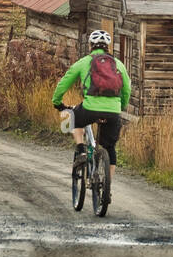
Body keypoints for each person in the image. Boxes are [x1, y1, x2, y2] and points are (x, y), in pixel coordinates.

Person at [52, 29, 131, 202]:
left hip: (89, 108)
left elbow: (64, 82)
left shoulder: (84, 62)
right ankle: (106, 188)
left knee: (71, 117)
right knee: (109, 148)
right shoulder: (118, 64)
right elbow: (127, 89)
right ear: (107, 47)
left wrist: (57, 102)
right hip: (113, 111)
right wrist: (119, 106)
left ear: (91, 45)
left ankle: (80, 148)